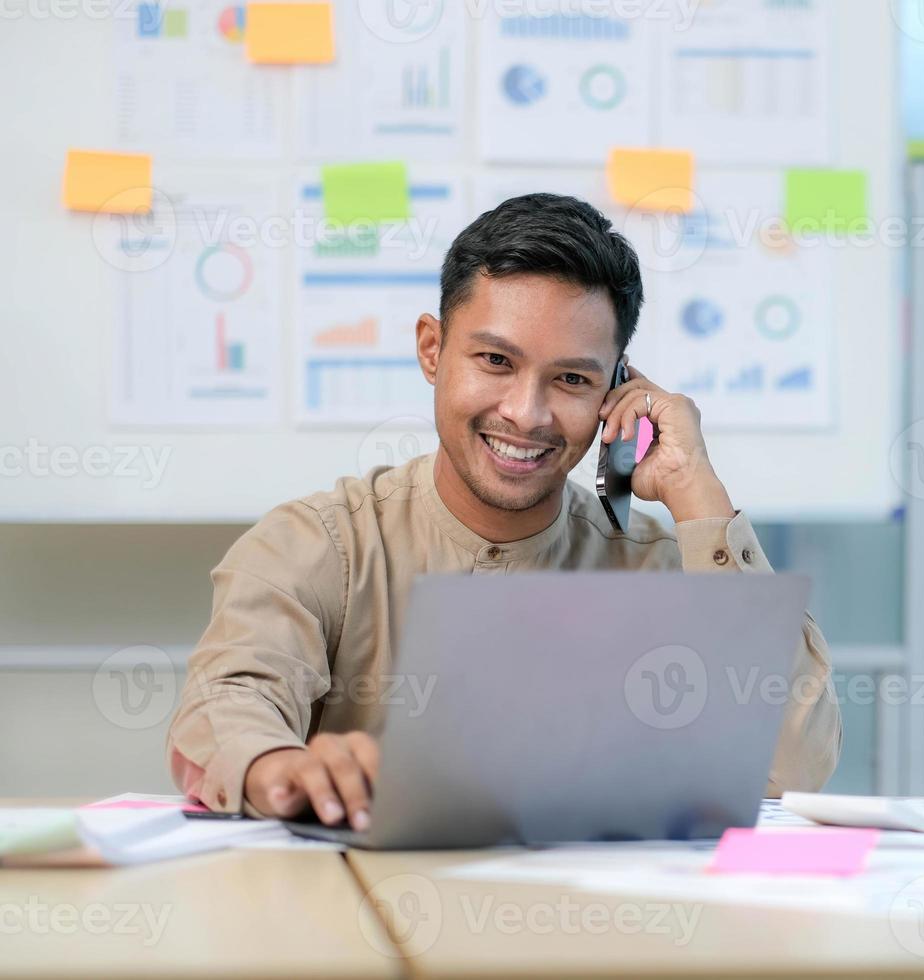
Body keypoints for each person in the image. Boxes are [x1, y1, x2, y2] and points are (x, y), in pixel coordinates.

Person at [165, 194, 842, 830]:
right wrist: (282, 769)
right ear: (433, 349)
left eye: (573, 378)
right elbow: (229, 701)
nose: (527, 413)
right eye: (495, 360)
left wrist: (697, 492)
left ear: (618, 388)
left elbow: (789, 766)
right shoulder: (320, 545)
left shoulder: (658, 567)